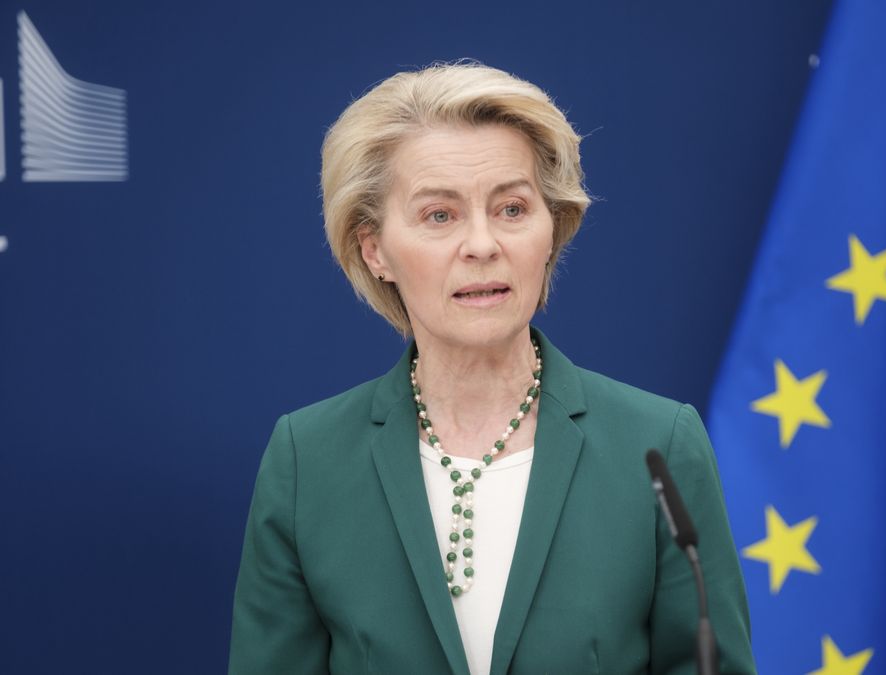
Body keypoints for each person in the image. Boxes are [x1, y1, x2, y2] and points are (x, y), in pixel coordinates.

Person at [228, 61, 755, 675]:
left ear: (551, 229)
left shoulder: (657, 445)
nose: (482, 245)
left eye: (510, 209)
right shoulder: (307, 460)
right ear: (375, 250)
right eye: (439, 215)